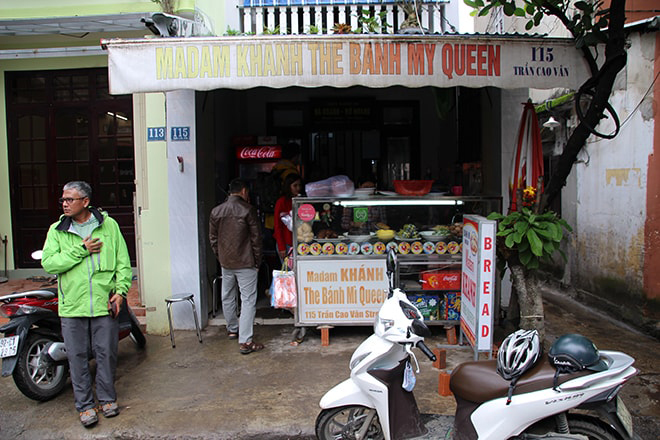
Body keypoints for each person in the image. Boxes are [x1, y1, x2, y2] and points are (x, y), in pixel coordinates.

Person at [41, 181, 132, 428]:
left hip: (104, 303)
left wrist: (121, 292)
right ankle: (85, 406)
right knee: (77, 357)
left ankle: (107, 399)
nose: (64, 204)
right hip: (72, 306)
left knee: (106, 354)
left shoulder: (108, 226)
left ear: (85, 202)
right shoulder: (57, 230)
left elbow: (123, 262)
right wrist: (81, 249)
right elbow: (50, 264)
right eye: (63, 200)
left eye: (70, 199)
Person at [209, 178, 264, 355]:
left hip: (226, 263)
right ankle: (246, 341)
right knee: (247, 300)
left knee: (227, 296)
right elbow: (256, 239)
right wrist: (257, 261)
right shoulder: (248, 210)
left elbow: (213, 240)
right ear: (243, 191)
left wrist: (221, 257)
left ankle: (232, 329)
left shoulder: (216, 211)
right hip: (246, 262)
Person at [273, 173, 302, 261]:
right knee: (288, 272)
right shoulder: (281, 202)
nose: (298, 188)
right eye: (295, 185)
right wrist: (282, 247)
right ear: (288, 186)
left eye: (299, 185)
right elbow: (277, 226)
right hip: (286, 243)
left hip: (301, 242)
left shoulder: (302, 200)